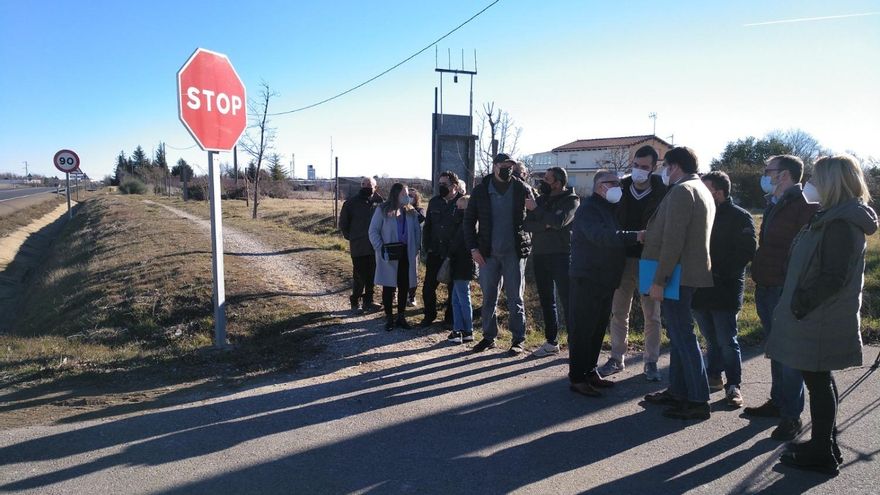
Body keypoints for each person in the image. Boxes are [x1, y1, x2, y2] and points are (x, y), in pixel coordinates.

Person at [767, 155, 877, 476]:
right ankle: (823, 444)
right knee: (819, 380)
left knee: (817, 381)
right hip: (814, 314)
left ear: (832, 182)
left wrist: (801, 303)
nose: (811, 183)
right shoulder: (831, 216)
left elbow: (833, 276)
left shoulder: (841, 224)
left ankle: (821, 451)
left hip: (818, 316)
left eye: (816, 177)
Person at [745, 155, 819, 441]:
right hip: (767, 284)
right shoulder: (776, 201)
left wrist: (789, 282)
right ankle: (778, 402)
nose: (765, 175)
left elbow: (803, 248)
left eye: (769, 171)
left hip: (784, 288)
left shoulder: (804, 204)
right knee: (776, 348)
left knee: (789, 353)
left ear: (784, 174)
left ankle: (791, 416)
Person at [641, 146, 715, 420]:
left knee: (683, 336)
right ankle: (679, 390)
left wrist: (659, 280)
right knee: (680, 334)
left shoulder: (683, 191)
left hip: (677, 275)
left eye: (665, 166)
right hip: (685, 273)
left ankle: (697, 399)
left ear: (675, 167)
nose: (663, 171)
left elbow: (674, 240)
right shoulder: (700, 189)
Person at [568, 171, 641, 397]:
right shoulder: (589, 208)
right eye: (614, 183)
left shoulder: (608, 209)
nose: (618, 187)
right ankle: (577, 377)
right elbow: (601, 236)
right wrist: (635, 236)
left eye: (619, 183)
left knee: (597, 328)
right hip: (588, 277)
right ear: (600, 186)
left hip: (605, 278)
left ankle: (590, 371)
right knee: (583, 329)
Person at [601, 145, 667, 380]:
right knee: (618, 311)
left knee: (652, 314)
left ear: (654, 167)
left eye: (644, 167)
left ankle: (651, 361)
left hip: (650, 260)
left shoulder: (664, 190)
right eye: (636, 165)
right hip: (622, 257)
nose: (639, 170)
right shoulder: (621, 187)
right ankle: (617, 357)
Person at [691, 171, 757, 408]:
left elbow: (747, 251)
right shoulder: (699, 214)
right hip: (699, 289)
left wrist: (718, 271)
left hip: (725, 290)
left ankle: (733, 385)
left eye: (705, 189)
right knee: (710, 338)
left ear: (718, 192)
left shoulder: (740, 217)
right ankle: (714, 376)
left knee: (727, 340)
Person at [464, 153, 533, 354]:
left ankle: (518, 339)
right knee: (488, 298)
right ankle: (488, 337)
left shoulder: (522, 188)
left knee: (515, 298)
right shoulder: (481, 191)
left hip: (515, 253)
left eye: (510, 165)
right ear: (495, 166)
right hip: (487, 254)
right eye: (504, 164)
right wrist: (474, 249)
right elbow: (468, 222)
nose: (508, 168)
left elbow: (536, 214)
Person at [523, 166, 579, 357]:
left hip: (562, 256)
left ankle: (575, 343)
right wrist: (545, 222)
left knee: (568, 300)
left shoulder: (571, 200)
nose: (543, 182)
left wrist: (541, 215)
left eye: (547, 179)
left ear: (558, 182)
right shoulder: (541, 200)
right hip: (540, 255)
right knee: (547, 300)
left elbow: (559, 222)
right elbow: (527, 224)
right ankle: (551, 342)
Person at [368, 183, 422, 331]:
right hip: (389, 253)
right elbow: (373, 231)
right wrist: (380, 248)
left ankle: (401, 317)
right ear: (396, 194)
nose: (407, 197)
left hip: (406, 252)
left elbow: (417, 232)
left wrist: (416, 247)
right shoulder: (383, 210)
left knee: (404, 285)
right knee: (389, 285)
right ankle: (389, 318)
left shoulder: (411, 212)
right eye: (404, 194)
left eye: (408, 194)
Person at [420, 171, 463, 326]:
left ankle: (450, 319)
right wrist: (426, 247)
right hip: (435, 251)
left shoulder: (462, 203)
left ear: (455, 186)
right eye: (440, 184)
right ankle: (429, 315)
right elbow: (428, 227)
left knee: (453, 290)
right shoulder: (434, 202)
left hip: (454, 254)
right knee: (428, 287)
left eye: (445, 184)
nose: (441, 187)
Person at [339, 176, 384, 313]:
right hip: (358, 245)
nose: (366, 187)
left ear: (375, 187)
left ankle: (368, 302)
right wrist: (351, 237)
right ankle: (355, 301)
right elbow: (343, 223)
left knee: (372, 275)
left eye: (369, 185)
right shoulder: (351, 203)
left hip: (375, 246)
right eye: (363, 184)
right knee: (359, 275)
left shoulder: (380, 203)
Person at [447, 195, 477, 344]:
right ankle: (458, 329)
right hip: (462, 264)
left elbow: (457, 244)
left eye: (458, 207)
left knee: (463, 298)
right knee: (456, 299)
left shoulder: (464, 223)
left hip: (461, 264)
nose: (456, 209)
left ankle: (467, 330)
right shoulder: (467, 222)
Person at [407, 188, 426, 307]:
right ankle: (396, 294)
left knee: (413, 273)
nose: (409, 197)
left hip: (414, 246)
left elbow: (421, 218)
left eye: (411, 196)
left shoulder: (419, 209)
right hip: (401, 245)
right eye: (407, 195)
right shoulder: (400, 210)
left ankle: (412, 296)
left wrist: (412, 209)